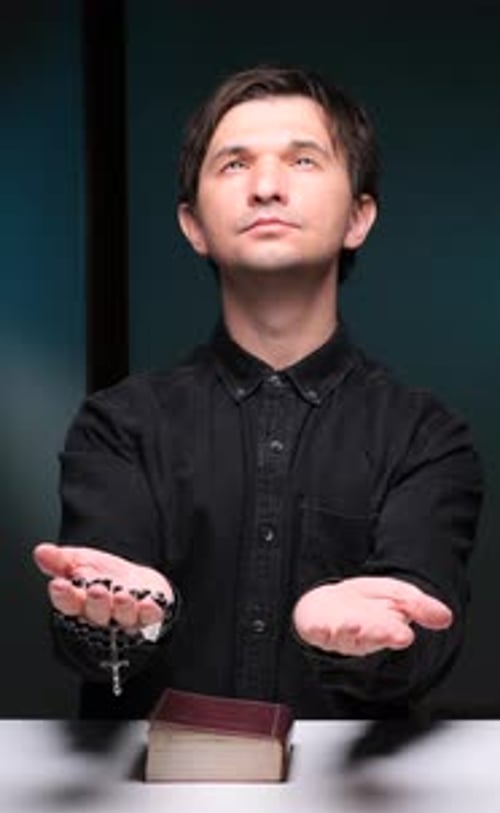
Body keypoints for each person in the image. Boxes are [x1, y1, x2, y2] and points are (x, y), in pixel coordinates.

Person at [33, 65, 482, 720]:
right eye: (234, 165)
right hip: (150, 811)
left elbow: (425, 634)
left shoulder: (427, 435)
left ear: (360, 216)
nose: (267, 188)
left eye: (302, 160)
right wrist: (122, 618)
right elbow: (95, 632)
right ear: (193, 226)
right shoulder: (117, 424)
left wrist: (360, 639)